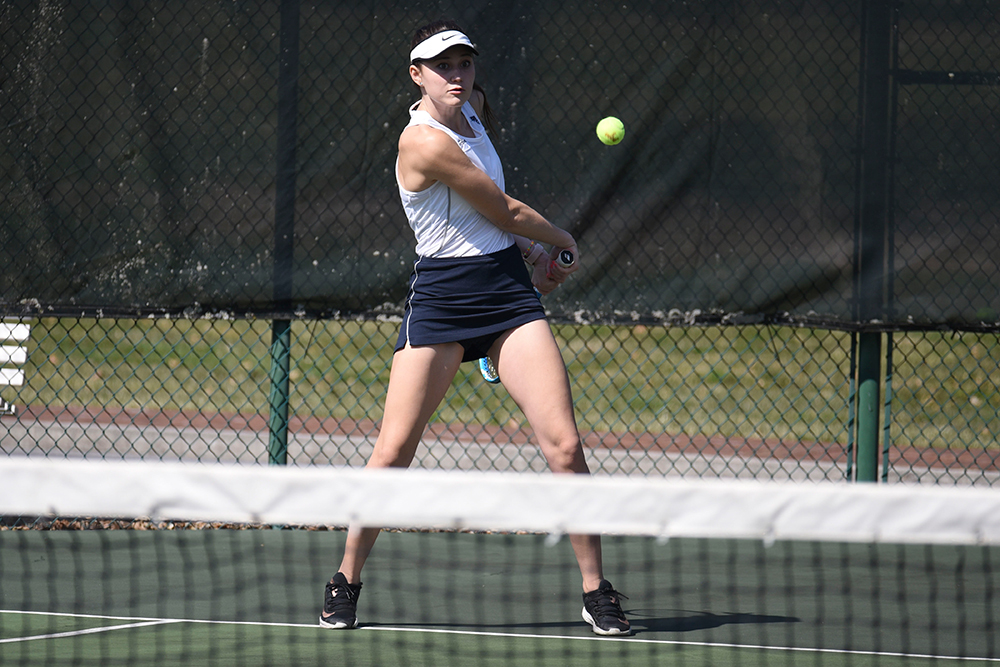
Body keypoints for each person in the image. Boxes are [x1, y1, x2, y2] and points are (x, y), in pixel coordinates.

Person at [318, 19, 631, 637]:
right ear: (417, 75)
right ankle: (345, 580)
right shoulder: (422, 142)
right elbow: (503, 207)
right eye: (443, 66)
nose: (457, 75)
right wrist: (561, 239)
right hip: (442, 301)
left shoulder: (475, 109)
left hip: (508, 297)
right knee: (394, 451)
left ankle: (597, 590)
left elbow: (494, 221)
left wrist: (530, 257)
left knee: (566, 447)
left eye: (464, 63)